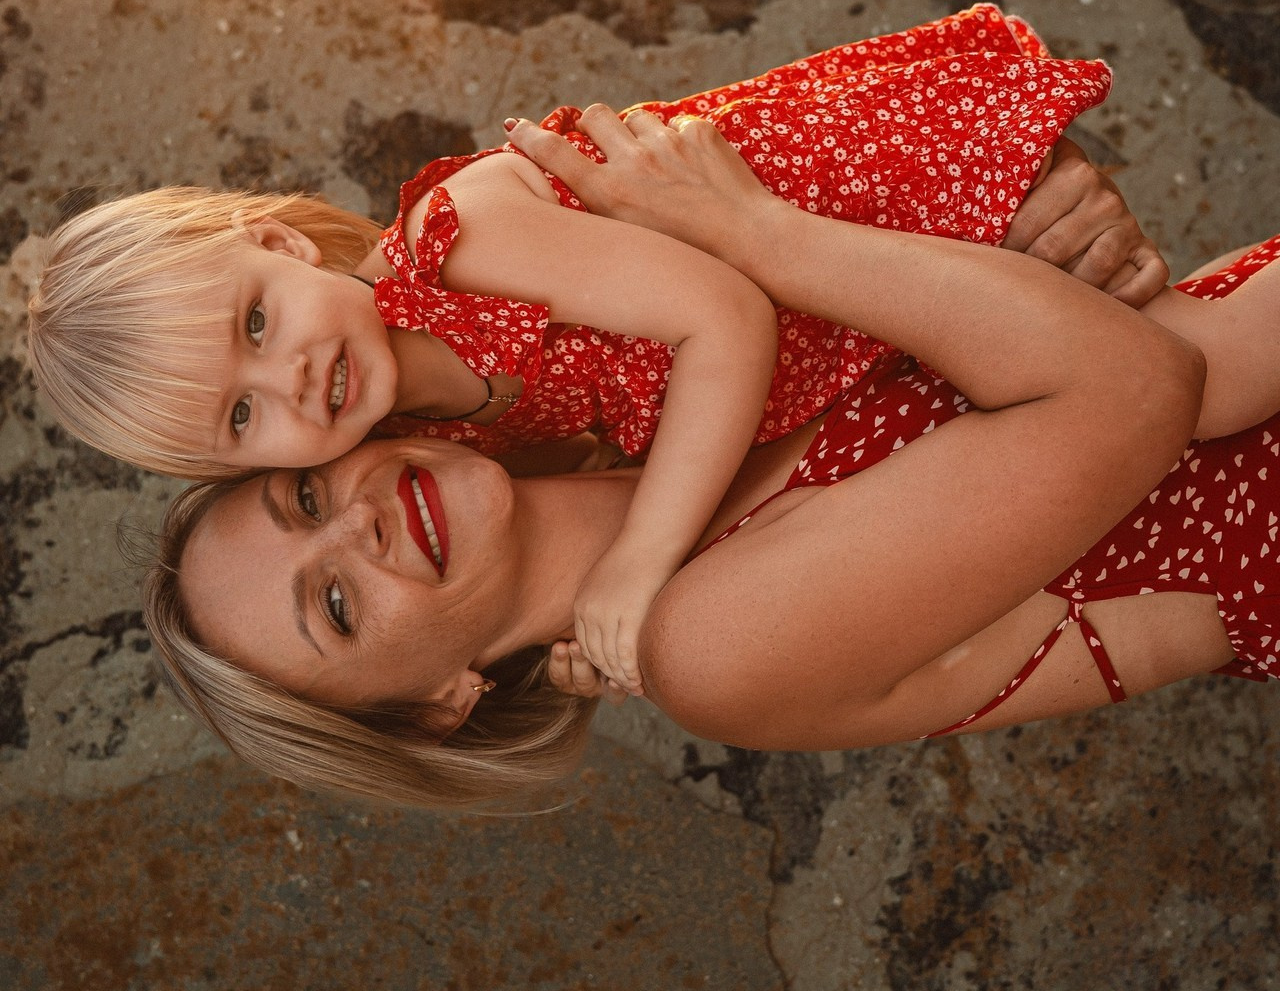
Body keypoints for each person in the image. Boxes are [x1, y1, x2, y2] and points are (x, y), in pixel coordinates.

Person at [141, 118, 1280, 813]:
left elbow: (959, 260)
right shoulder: (708, 646)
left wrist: (1028, 190)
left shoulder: (639, 397)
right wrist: (761, 235)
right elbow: (1134, 389)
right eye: (334, 603)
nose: (354, 526)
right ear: (440, 703)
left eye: (301, 497)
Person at [31, 5, 1148, 693]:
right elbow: (560, 520)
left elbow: (723, 319)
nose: (289, 380)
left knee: (1153, 352)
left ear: (274, 242)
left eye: (257, 323)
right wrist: (580, 638)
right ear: (244, 465)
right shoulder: (426, 433)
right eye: (242, 414)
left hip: (881, 203)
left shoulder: (456, 239)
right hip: (864, 323)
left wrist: (636, 563)